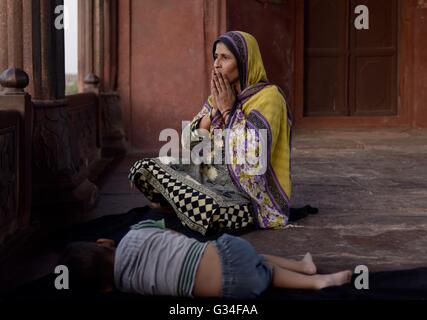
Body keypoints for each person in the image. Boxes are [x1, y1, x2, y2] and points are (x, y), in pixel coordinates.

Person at [129, 31, 293, 236]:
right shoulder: (221, 94)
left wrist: (229, 111)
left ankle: (182, 206)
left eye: (225, 57)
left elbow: (252, 159)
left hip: (248, 200)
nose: (216, 64)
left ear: (244, 62)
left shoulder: (269, 98)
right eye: (216, 56)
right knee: (145, 168)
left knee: (207, 207)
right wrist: (214, 111)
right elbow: (190, 144)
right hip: (210, 179)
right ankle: (183, 206)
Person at [59, 219, 352, 298]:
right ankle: (306, 269)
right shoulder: (136, 232)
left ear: (104, 289)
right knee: (259, 257)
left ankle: (317, 283)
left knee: (266, 274)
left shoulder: (126, 287)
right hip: (230, 253)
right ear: (105, 242)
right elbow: (173, 236)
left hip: (234, 292)